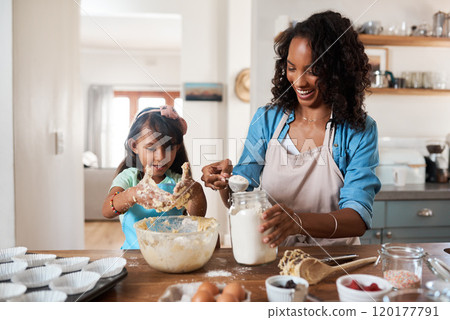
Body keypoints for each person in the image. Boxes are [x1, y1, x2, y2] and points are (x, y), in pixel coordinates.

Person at [201, 11, 381, 247]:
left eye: (313, 70)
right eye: (292, 68)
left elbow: (358, 217)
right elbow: (240, 200)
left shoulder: (358, 131)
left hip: (337, 264)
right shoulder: (266, 120)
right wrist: (226, 183)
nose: (299, 81)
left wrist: (297, 221)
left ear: (339, 71)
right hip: (273, 260)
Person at [102, 106, 207, 249]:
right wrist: (133, 194)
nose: (161, 157)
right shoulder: (129, 178)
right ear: (134, 146)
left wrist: (196, 192)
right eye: (151, 148)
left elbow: (197, 218)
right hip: (135, 256)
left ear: (177, 148)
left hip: (173, 253)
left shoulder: (178, 181)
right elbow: (107, 211)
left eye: (169, 147)